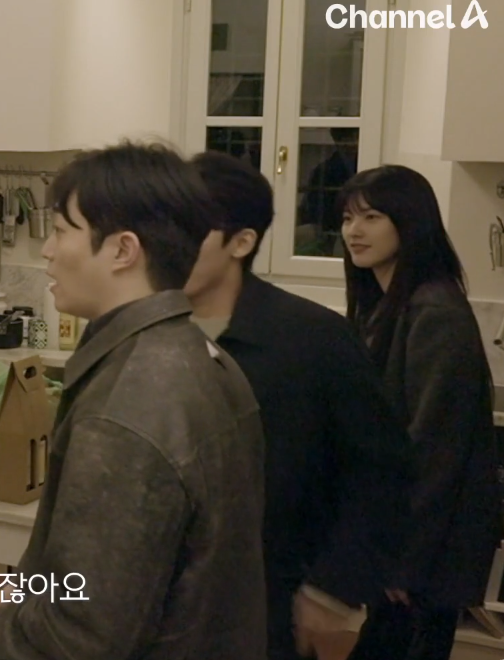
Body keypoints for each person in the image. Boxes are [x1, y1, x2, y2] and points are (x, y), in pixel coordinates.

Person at [0, 142, 268, 660]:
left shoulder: (129, 406)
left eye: (61, 230)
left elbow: (81, 634)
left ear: (123, 250)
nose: (47, 250)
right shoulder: (202, 354)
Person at [183, 152, 414, 660]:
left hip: (270, 603)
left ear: (241, 242)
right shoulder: (142, 331)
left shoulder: (313, 339)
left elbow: (381, 471)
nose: (167, 245)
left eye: (188, 229)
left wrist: (332, 587)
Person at [337, 165, 503, 660]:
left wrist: (402, 557)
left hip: (426, 547)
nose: (354, 230)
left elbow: (434, 449)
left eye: (371, 217)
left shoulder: (434, 310)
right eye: (347, 218)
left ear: (409, 223)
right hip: (399, 540)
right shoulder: (383, 305)